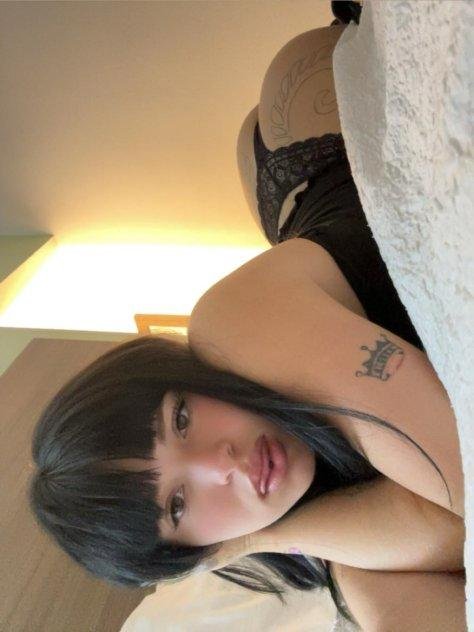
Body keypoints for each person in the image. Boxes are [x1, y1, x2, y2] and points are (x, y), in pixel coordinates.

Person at [28, 7, 467, 631]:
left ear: (180, 376)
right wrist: (255, 540)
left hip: (314, 153)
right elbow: (449, 537)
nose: (226, 465)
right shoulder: (316, 544)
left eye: (181, 419)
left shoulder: (226, 325)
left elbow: (465, 480)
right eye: (178, 506)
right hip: (290, 237)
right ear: (190, 553)